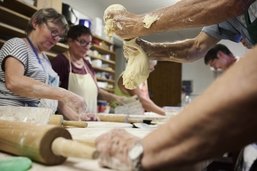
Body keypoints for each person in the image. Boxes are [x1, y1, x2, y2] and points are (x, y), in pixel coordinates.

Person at [95, 1, 257, 171]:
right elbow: (196, 46)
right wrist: (147, 49)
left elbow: (231, 3)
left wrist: (137, 23)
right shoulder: (230, 19)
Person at [0, 8, 96, 121]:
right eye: (54, 31)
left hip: (35, 121)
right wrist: (65, 94)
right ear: (35, 22)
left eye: (59, 36)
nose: (56, 39)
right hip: (12, 120)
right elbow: (14, 82)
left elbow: (55, 99)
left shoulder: (45, 58)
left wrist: (78, 117)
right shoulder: (17, 44)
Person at [51, 25, 127, 114]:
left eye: (89, 43)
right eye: (82, 42)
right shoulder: (61, 62)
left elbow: (97, 91)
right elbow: (52, 95)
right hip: (69, 122)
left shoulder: (87, 64)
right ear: (70, 41)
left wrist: (116, 98)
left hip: (90, 121)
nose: (87, 47)